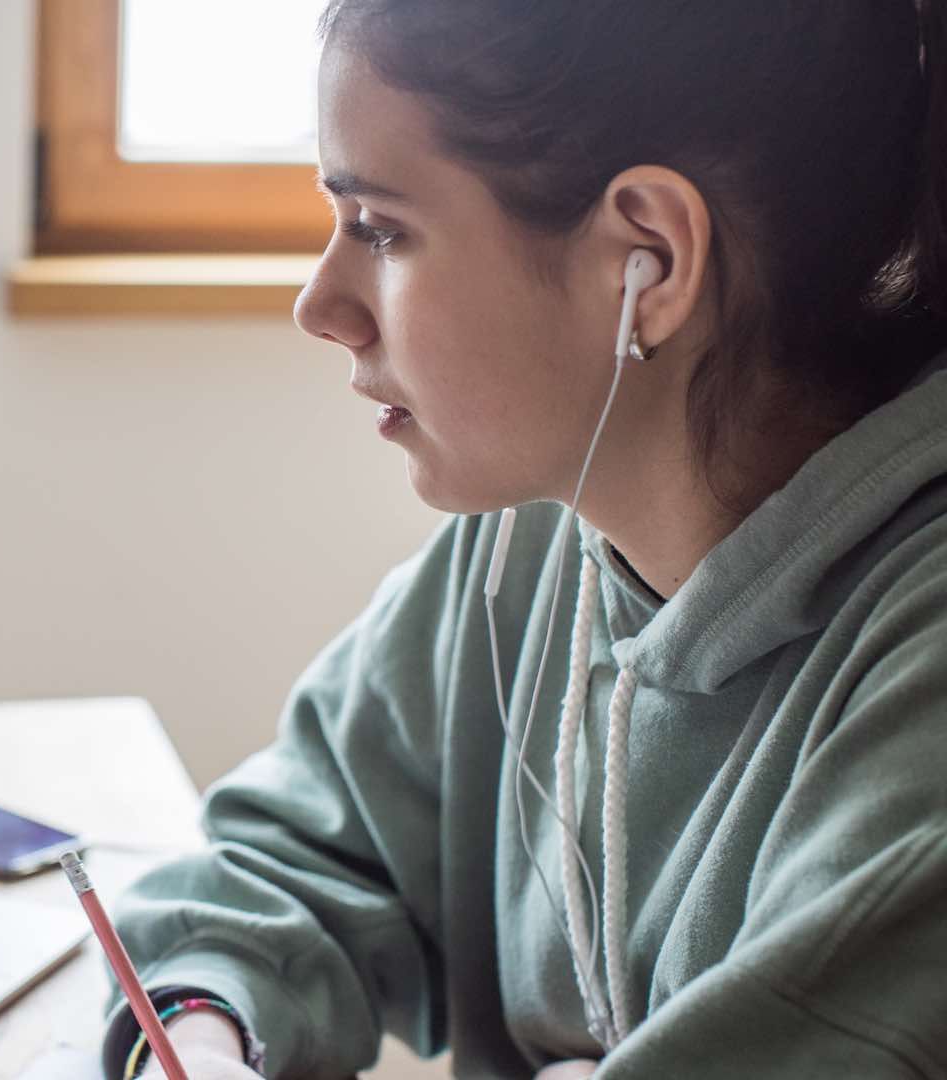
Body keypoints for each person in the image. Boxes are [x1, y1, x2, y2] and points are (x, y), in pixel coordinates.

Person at [105, 3, 947, 1078]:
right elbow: (293, 857)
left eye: (381, 229)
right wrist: (205, 1037)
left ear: (647, 258)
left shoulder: (920, 694)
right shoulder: (534, 543)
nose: (321, 305)